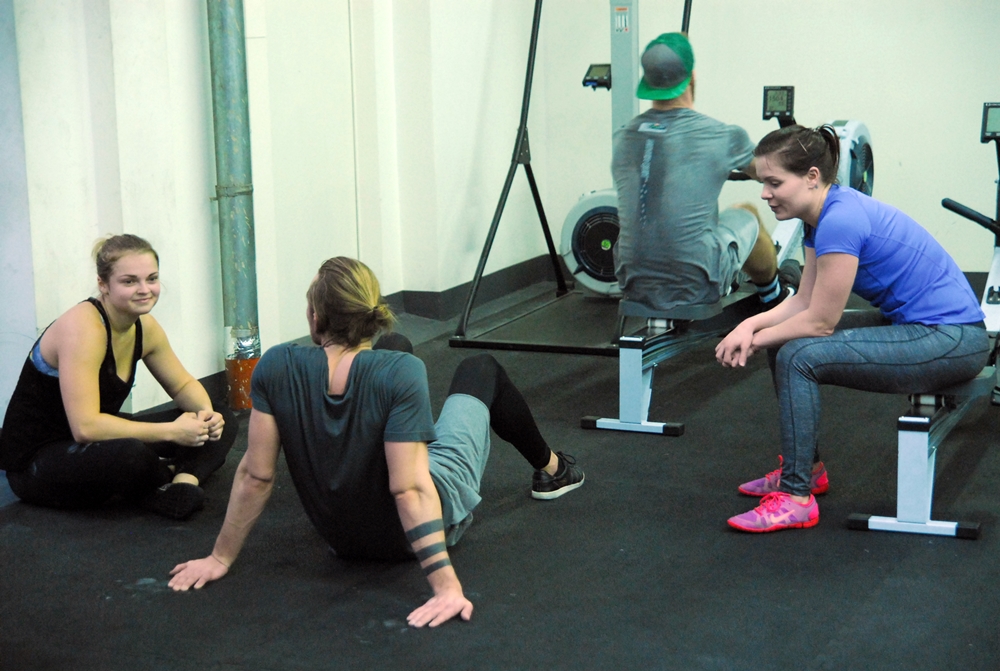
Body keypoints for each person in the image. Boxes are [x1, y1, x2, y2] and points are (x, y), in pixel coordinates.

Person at [167, 257, 584, 627]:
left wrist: (219, 557)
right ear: (370, 314)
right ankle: (554, 469)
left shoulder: (276, 364)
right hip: (406, 535)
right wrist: (446, 587)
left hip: (342, 537)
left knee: (395, 351)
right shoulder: (400, 373)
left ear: (314, 316)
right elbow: (410, 488)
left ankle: (411, 441)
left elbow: (256, 476)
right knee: (479, 368)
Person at [716, 124, 989, 533]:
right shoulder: (820, 216)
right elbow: (804, 301)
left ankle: (796, 499)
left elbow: (821, 322)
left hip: (953, 339)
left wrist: (751, 341)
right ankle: (806, 472)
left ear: (811, 177)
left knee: (798, 354)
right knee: (785, 340)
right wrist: (750, 326)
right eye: (763, 184)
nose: (765, 194)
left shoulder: (840, 220)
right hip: (924, 328)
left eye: (774, 183)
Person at [0, 234, 236, 520]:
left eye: (151, 279)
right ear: (103, 284)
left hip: (97, 440)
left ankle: (181, 482)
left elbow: (182, 384)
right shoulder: (83, 329)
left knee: (221, 414)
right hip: (38, 462)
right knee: (130, 454)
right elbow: (85, 427)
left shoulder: (145, 327)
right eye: (129, 281)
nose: (144, 290)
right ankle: (161, 480)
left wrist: (206, 416)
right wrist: (173, 432)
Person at [612, 32, 798, 314]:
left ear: (647, 83)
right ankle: (774, 295)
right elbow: (769, 174)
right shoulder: (722, 135)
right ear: (692, 77)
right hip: (698, 284)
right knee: (745, 211)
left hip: (629, 282)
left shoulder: (622, 137)